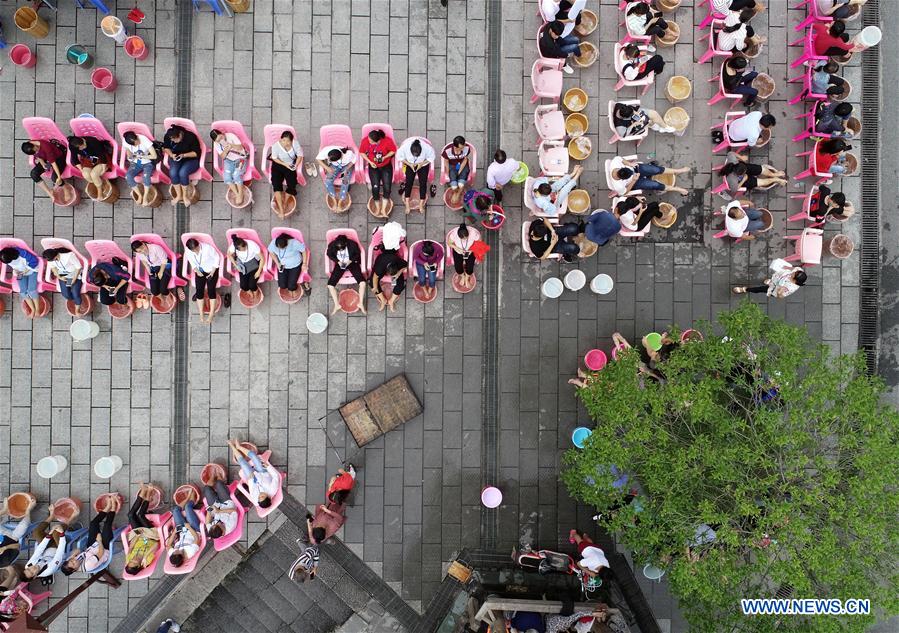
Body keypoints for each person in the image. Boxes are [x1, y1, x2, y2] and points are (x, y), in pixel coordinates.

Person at [61, 495, 120, 575]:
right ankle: (113, 507)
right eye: (74, 564)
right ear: (74, 570)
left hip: (91, 547)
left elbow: (78, 550)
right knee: (106, 525)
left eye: (71, 561)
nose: (74, 561)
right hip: (104, 548)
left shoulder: (72, 561)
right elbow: (101, 552)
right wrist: (99, 541)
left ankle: (107, 508)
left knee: (93, 524)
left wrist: (72, 556)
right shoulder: (88, 565)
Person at [228, 440, 281, 509]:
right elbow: (275, 476)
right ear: (268, 497)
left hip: (253, 478)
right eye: (262, 496)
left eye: (259, 498)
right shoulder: (273, 489)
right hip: (262, 472)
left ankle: (232, 446)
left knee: (242, 463)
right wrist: (268, 467)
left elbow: (251, 489)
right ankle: (239, 447)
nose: (259, 495)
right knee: (254, 456)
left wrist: (250, 479)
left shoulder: (256, 500)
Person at [309, 465, 357, 541]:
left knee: (335, 493)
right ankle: (348, 481)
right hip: (337, 506)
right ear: (324, 528)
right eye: (318, 525)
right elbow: (339, 518)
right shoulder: (333, 526)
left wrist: (319, 509)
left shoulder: (316, 530)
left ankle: (342, 480)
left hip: (329, 505)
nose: (317, 524)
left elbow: (316, 518)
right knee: (343, 494)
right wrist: (329, 511)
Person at [124, 485, 162, 576]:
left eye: (131, 561)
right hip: (150, 536)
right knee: (141, 515)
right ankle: (149, 492)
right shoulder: (146, 560)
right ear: (138, 566)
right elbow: (157, 544)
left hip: (138, 536)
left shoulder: (128, 560)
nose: (133, 559)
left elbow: (131, 547)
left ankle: (143, 492)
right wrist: (145, 556)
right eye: (134, 562)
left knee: (130, 515)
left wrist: (137, 535)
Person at [326, 233, 367, 315]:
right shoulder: (332, 245)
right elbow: (329, 254)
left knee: (363, 283)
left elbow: (357, 253)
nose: (340, 250)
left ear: (346, 243)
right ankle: (337, 304)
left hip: (352, 263)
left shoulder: (352, 244)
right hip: (340, 264)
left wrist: (350, 261)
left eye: (342, 248)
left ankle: (360, 303)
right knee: (330, 285)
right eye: (339, 249)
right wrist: (338, 262)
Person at [359, 129, 397, 217]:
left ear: (378, 141)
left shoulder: (387, 141)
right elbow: (361, 152)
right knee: (375, 187)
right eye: (368, 139)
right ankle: (378, 207)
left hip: (386, 166)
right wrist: (369, 161)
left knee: (387, 187)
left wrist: (385, 157)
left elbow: (393, 150)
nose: (368, 141)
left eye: (371, 141)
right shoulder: (365, 141)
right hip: (373, 167)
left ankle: (383, 210)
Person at [162, 125, 201, 206]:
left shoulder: (190, 137)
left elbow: (196, 153)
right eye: (172, 139)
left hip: (191, 159)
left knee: (182, 173)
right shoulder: (169, 136)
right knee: (173, 173)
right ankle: (179, 196)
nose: (173, 141)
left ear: (180, 135)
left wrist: (183, 155)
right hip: (176, 157)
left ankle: (185, 196)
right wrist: (171, 154)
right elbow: (166, 147)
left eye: (175, 139)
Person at [184, 238, 221, 324]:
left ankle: (211, 313)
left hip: (211, 270)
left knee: (211, 290)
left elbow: (217, 257)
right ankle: (201, 313)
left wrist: (212, 272)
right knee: (199, 290)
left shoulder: (207, 248)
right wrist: (196, 270)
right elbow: (191, 261)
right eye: (193, 250)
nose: (196, 251)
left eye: (196, 249)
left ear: (198, 245)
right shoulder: (188, 251)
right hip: (200, 271)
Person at [608, 157, 689, 196]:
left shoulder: (615, 162)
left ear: (621, 168)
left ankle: (678, 171)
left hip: (636, 168)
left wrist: (630, 164)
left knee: (656, 170)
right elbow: (624, 192)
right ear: (622, 179)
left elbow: (621, 159)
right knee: (656, 185)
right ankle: (677, 189)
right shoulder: (618, 186)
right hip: (634, 183)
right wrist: (633, 180)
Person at [396, 137, 435, 214]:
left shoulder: (426, 148)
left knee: (423, 183)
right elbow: (399, 157)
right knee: (409, 182)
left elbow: (431, 157)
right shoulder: (405, 147)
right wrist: (409, 164)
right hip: (409, 164)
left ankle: (421, 204)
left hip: (422, 165)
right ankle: (407, 203)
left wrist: (421, 164)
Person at [269, 130, 303, 217]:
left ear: (292, 140)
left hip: (291, 164)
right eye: (284, 140)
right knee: (276, 184)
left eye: (288, 141)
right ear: (281, 139)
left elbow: (300, 155)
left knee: (292, 184)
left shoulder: (295, 144)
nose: (286, 143)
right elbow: (275, 158)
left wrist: (295, 165)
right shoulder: (275, 146)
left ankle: (285, 201)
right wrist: (285, 164)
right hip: (279, 164)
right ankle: (281, 209)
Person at [210, 128, 248, 206]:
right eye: (218, 140)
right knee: (226, 177)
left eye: (221, 138)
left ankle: (240, 193)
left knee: (236, 175)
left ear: (222, 134)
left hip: (240, 158)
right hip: (229, 160)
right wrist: (226, 150)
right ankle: (236, 193)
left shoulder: (231, 136)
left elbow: (240, 147)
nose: (220, 140)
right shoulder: (216, 144)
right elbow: (223, 157)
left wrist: (231, 145)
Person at [718, 151, 787, 193]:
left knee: (758, 169)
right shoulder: (732, 179)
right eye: (744, 172)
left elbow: (730, 153)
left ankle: (773, 174)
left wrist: (741, 157)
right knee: (761, 182)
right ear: (738, 175)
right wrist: (743, 180)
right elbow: (734, 190)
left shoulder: (733, 161)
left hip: (741, 169)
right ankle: (775, 179)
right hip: (742, 180)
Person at [733, 259, 807, 297]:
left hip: (775, 288)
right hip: (778, 278)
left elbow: (780, 296)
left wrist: (779, 292)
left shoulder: (789, 288)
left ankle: (745, 289)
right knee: (773, 279)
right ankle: (770, 281)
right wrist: (786, 267)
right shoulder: (799, 271)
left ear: (794, 280)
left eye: (793, 275)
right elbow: (793, 268)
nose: (792, 273)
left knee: (760, 289)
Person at [0, 247, 41, 316]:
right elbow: (14, 267)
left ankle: (37, 309)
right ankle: (33, 309)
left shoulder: (23, 254)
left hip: (32, 271)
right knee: (22, 292)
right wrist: (15, 271)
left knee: (32, 290)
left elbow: (35, 261)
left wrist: (26, 270)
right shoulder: (6, 257)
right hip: (20, 273)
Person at [122, 130, 158, 206]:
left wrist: (142, 156)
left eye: (137, 142)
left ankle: (145, 197)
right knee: (128, 176)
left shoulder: (144, 140)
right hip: (137, 162)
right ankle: (139, 195)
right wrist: (130, 157)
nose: (137, 144)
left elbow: (154, 156)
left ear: (137, 137)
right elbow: (128, 152)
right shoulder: (125, 142)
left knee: (146, 177)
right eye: (134, 145)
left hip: (148, 162)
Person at [0, 495, 36, 568]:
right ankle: (28, 510)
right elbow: (18, 546)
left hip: (2, 535)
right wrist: (5, 548)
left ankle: (4, 510)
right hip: (14, 537)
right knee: (25, 524)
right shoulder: (4, 562)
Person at [165, 495, 200, 570]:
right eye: (177, 552)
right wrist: (189, 527)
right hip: (194, 529)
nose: (175, 550)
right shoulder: (190, 552)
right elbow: (196, 538)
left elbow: (168, 545)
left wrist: (174, 532)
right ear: (182, 556)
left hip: (182, 530)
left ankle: (187, 498)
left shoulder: (173, 555)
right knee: (187, 507)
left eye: (174, 552)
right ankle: (192, 499)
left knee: (175, 510)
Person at [227, 235, 265, 300]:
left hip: (253, 263)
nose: (245, 249)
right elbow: (229, 255)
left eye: (245, 247)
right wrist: (236, 265)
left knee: (252, 285)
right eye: (243, 249)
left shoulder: (252, 245)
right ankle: (250, 293)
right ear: (237, 249)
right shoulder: (233, 247)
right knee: (243, 286)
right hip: (243, 265)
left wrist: (259, 271)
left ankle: (256, 293)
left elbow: (262, 258)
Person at [369, 248, 407, 312]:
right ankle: (383, 300)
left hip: (394, 267)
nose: (391, 277)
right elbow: (375, 277)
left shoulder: (397, 260)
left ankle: (391, 301)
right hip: (381, 263)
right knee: (372, 283)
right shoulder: (380, 267)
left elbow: (405, 265)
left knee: (400, 284)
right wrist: (375, 287)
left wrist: (398, 273)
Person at [202, 476, 238, 541]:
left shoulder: (212, 531)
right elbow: (234, 511)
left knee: (206, 489)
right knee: (218, 483)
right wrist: (219, 511)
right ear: (223, 531)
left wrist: (209, 511)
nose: (217, 523)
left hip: (215, 506)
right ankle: (220, 476)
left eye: (215, 524)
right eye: (218, 524)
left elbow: (207, 522)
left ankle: (213, 475)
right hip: (226, 503)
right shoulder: (231, 525)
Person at [447, 222, 480, 290]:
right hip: (458, 252)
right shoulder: (454, 234)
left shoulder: (473, 233)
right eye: (462, 238)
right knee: (457, 267)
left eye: (466, 237)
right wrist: (457, 248)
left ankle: (467, 277)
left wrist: (471, 250)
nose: (464, 239)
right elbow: (449, 243)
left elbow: (479, 242)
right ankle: (462, 276)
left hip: (470, 252)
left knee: (470, 267)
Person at [441, 136, 473, 206]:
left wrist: (459, 171)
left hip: (463, 165)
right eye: (461, 148)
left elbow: (465, 160)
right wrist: (448, 171)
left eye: (463, 146)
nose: (463, 148)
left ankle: (458, 194)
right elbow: (446, 161)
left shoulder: (466, 148)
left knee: (461, 184)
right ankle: (456, 192)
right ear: (455, 147)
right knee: (454, 187)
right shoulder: (447, 151)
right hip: (452, 165)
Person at [289, 517, 320, 582]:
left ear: (305, 570)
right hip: (306, 557)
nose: (308, 573)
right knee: (306, 549)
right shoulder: (292, 575)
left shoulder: (307, 556)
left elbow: (315, 552)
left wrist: (315, 567)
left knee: (315, 543)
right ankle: (301, 541)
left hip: (307, 554)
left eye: (307, 573)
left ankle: (303, 540)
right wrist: (313, 570)